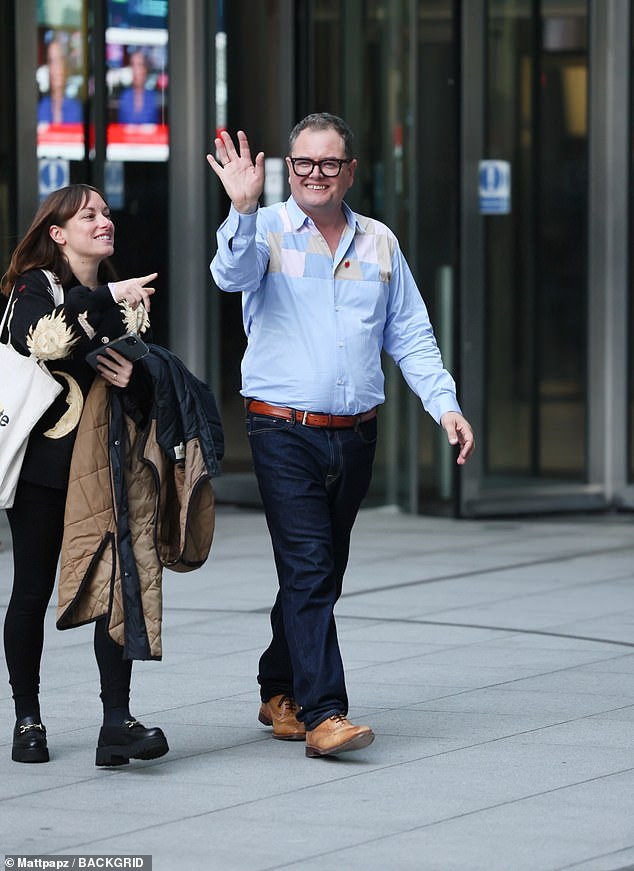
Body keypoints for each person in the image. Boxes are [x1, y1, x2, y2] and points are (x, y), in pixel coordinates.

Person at [207, 112, 475, 758]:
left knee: (319, 572)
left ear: (351, 170)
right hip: (281, 428)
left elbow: (409, 332)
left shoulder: (378, 240)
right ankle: (323, 710)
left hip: (354, 435)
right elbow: (230, 275)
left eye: (329, 163)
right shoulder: (264, 228)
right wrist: (242, 208)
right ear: (287, 168)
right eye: (304, 163)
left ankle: (279, 686)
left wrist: (446, 405)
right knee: (309, 565)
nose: (316, 175)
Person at [1, 183, 168, 766]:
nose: (104, 221)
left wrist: (135, 380)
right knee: (31, 591)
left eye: (105, 212)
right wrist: (106, 299)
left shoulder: (126, 299)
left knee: (117, 591)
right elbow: (38, 339)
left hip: (108, 467)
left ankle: (116, 722)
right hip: (45, 471)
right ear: (57, 232)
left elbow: (142, 383)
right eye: (88, 215)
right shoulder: (34, 288)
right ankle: (28, 719)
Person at [38, 36, 83, 124]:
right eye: (51, 61)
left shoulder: (77, 109)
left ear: (66, 67)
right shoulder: (41, 107)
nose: (55, 69)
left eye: (59, 61)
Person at [117, 49, 158, 125]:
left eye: (139, 65)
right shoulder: (124, 97)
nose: (135, 70)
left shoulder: (153, 98)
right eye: (133, 65)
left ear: (145, 70)